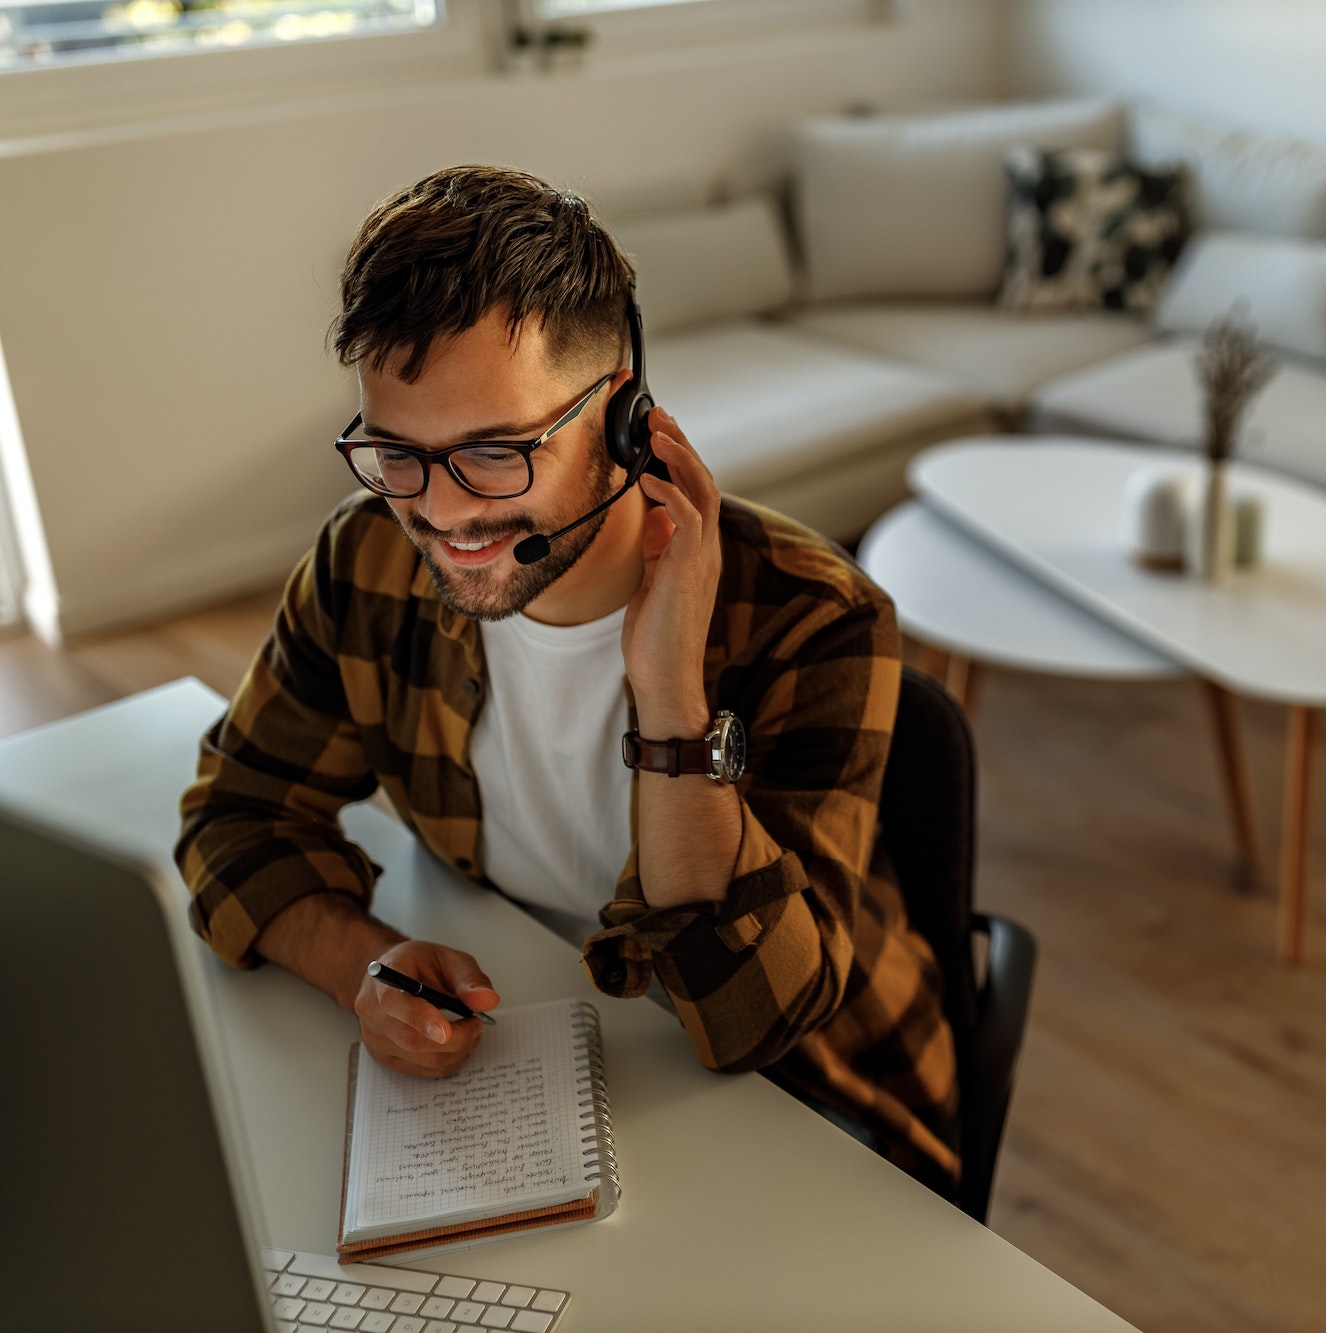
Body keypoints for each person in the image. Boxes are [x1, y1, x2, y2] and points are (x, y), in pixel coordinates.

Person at [176, 165, 958, 1192]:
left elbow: (754, 1022)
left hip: (810, 1107)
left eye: (495, 453)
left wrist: (672, 696)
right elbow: (237, 815)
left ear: (625, 417)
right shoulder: (367, 558)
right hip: (528, 1052)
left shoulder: (815, 616)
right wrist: (358, 964)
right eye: (395, 452)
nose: (443, 514)